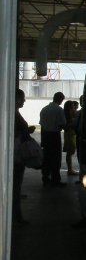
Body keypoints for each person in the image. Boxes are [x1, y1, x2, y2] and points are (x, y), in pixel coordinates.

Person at [14, 89, 35, 224]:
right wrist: (27, 131)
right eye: (23, 98)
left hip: (16, 154)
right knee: (15, 186)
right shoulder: (13, 114)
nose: (25, 101)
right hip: (16, 155)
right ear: (17, 99)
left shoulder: (13, 113)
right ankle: (16, 217)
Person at [39, 92, 67, 187]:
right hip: (55, 136)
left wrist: (42, 140)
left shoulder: (44, 109)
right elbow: (62, 125)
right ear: (61, 99)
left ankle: (45, 178)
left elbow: (42, 126)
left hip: (46, 135)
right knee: (56, 158)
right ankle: (55, 179)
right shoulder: (59, 110)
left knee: (46, 157)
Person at [63, 100, 78, 176]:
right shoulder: (67, 114)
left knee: (70, 152)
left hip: (70, 134)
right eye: (72, 106)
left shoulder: (69, 113)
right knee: (70, 152)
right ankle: (70, 169)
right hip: (70, 134)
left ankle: (70, 169)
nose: (74, 107)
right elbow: (67, 126)